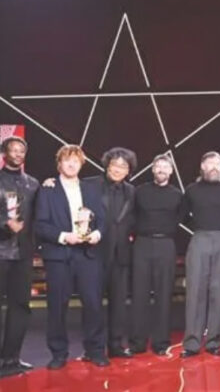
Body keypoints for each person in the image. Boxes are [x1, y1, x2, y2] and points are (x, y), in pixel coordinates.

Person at [34, 144, 107, 369]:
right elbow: (40, 225)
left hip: (87, 255)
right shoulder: (48, 189)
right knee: (57, 306)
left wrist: (97, 233)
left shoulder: (91, 189)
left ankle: (95, 350)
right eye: (67, 160)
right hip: (59, 255)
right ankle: (58, 353)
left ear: (81, 164)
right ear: (59, 164)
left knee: (93, 304)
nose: (71, 164)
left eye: (76, 160)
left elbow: (102, 219)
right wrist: (65, 237)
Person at [180, 151, 220, 358]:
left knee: (218, 291)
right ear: (202, 166)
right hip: (200, 238)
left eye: (218, 164)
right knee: (195, 290)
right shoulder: (191, 190)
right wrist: (198, 226)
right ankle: (192, 343)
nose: (214, 167)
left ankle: (213, 341)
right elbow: (182, 216)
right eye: (210, 163)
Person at [130, 154, 184, 355]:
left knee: (164, 294)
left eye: (165, 167)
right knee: (139, 294)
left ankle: (161, 342)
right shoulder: (140, 191)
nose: (161, 169)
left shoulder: (178, 195)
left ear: (171, 171)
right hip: (142, 244)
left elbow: (180, 218)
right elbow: (132, 215)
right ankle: (137, 342)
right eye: (158, 166)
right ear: (152, 169)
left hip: (166, 244)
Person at [87, 147, 136, 358]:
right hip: (95, 253)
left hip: (121, 255)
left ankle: (115, 346)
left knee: (119, 305)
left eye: (123, 166)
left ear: (128, 171)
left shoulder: (132, 191)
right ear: (107, 165)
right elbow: (66, 189)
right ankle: (93, 348)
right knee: (93, 304)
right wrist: (50, 182)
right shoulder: (90, 185)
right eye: (114, 164)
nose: (118, 169)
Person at [0, 137, 39, 377]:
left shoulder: (33, 184)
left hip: (23, 254)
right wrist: (4, 224)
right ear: (4, 153)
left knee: (20, 306)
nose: (17, 154)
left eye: (21, 150)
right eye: (12, 150)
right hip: (0, 250)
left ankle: (11, 358)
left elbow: (38, 215)